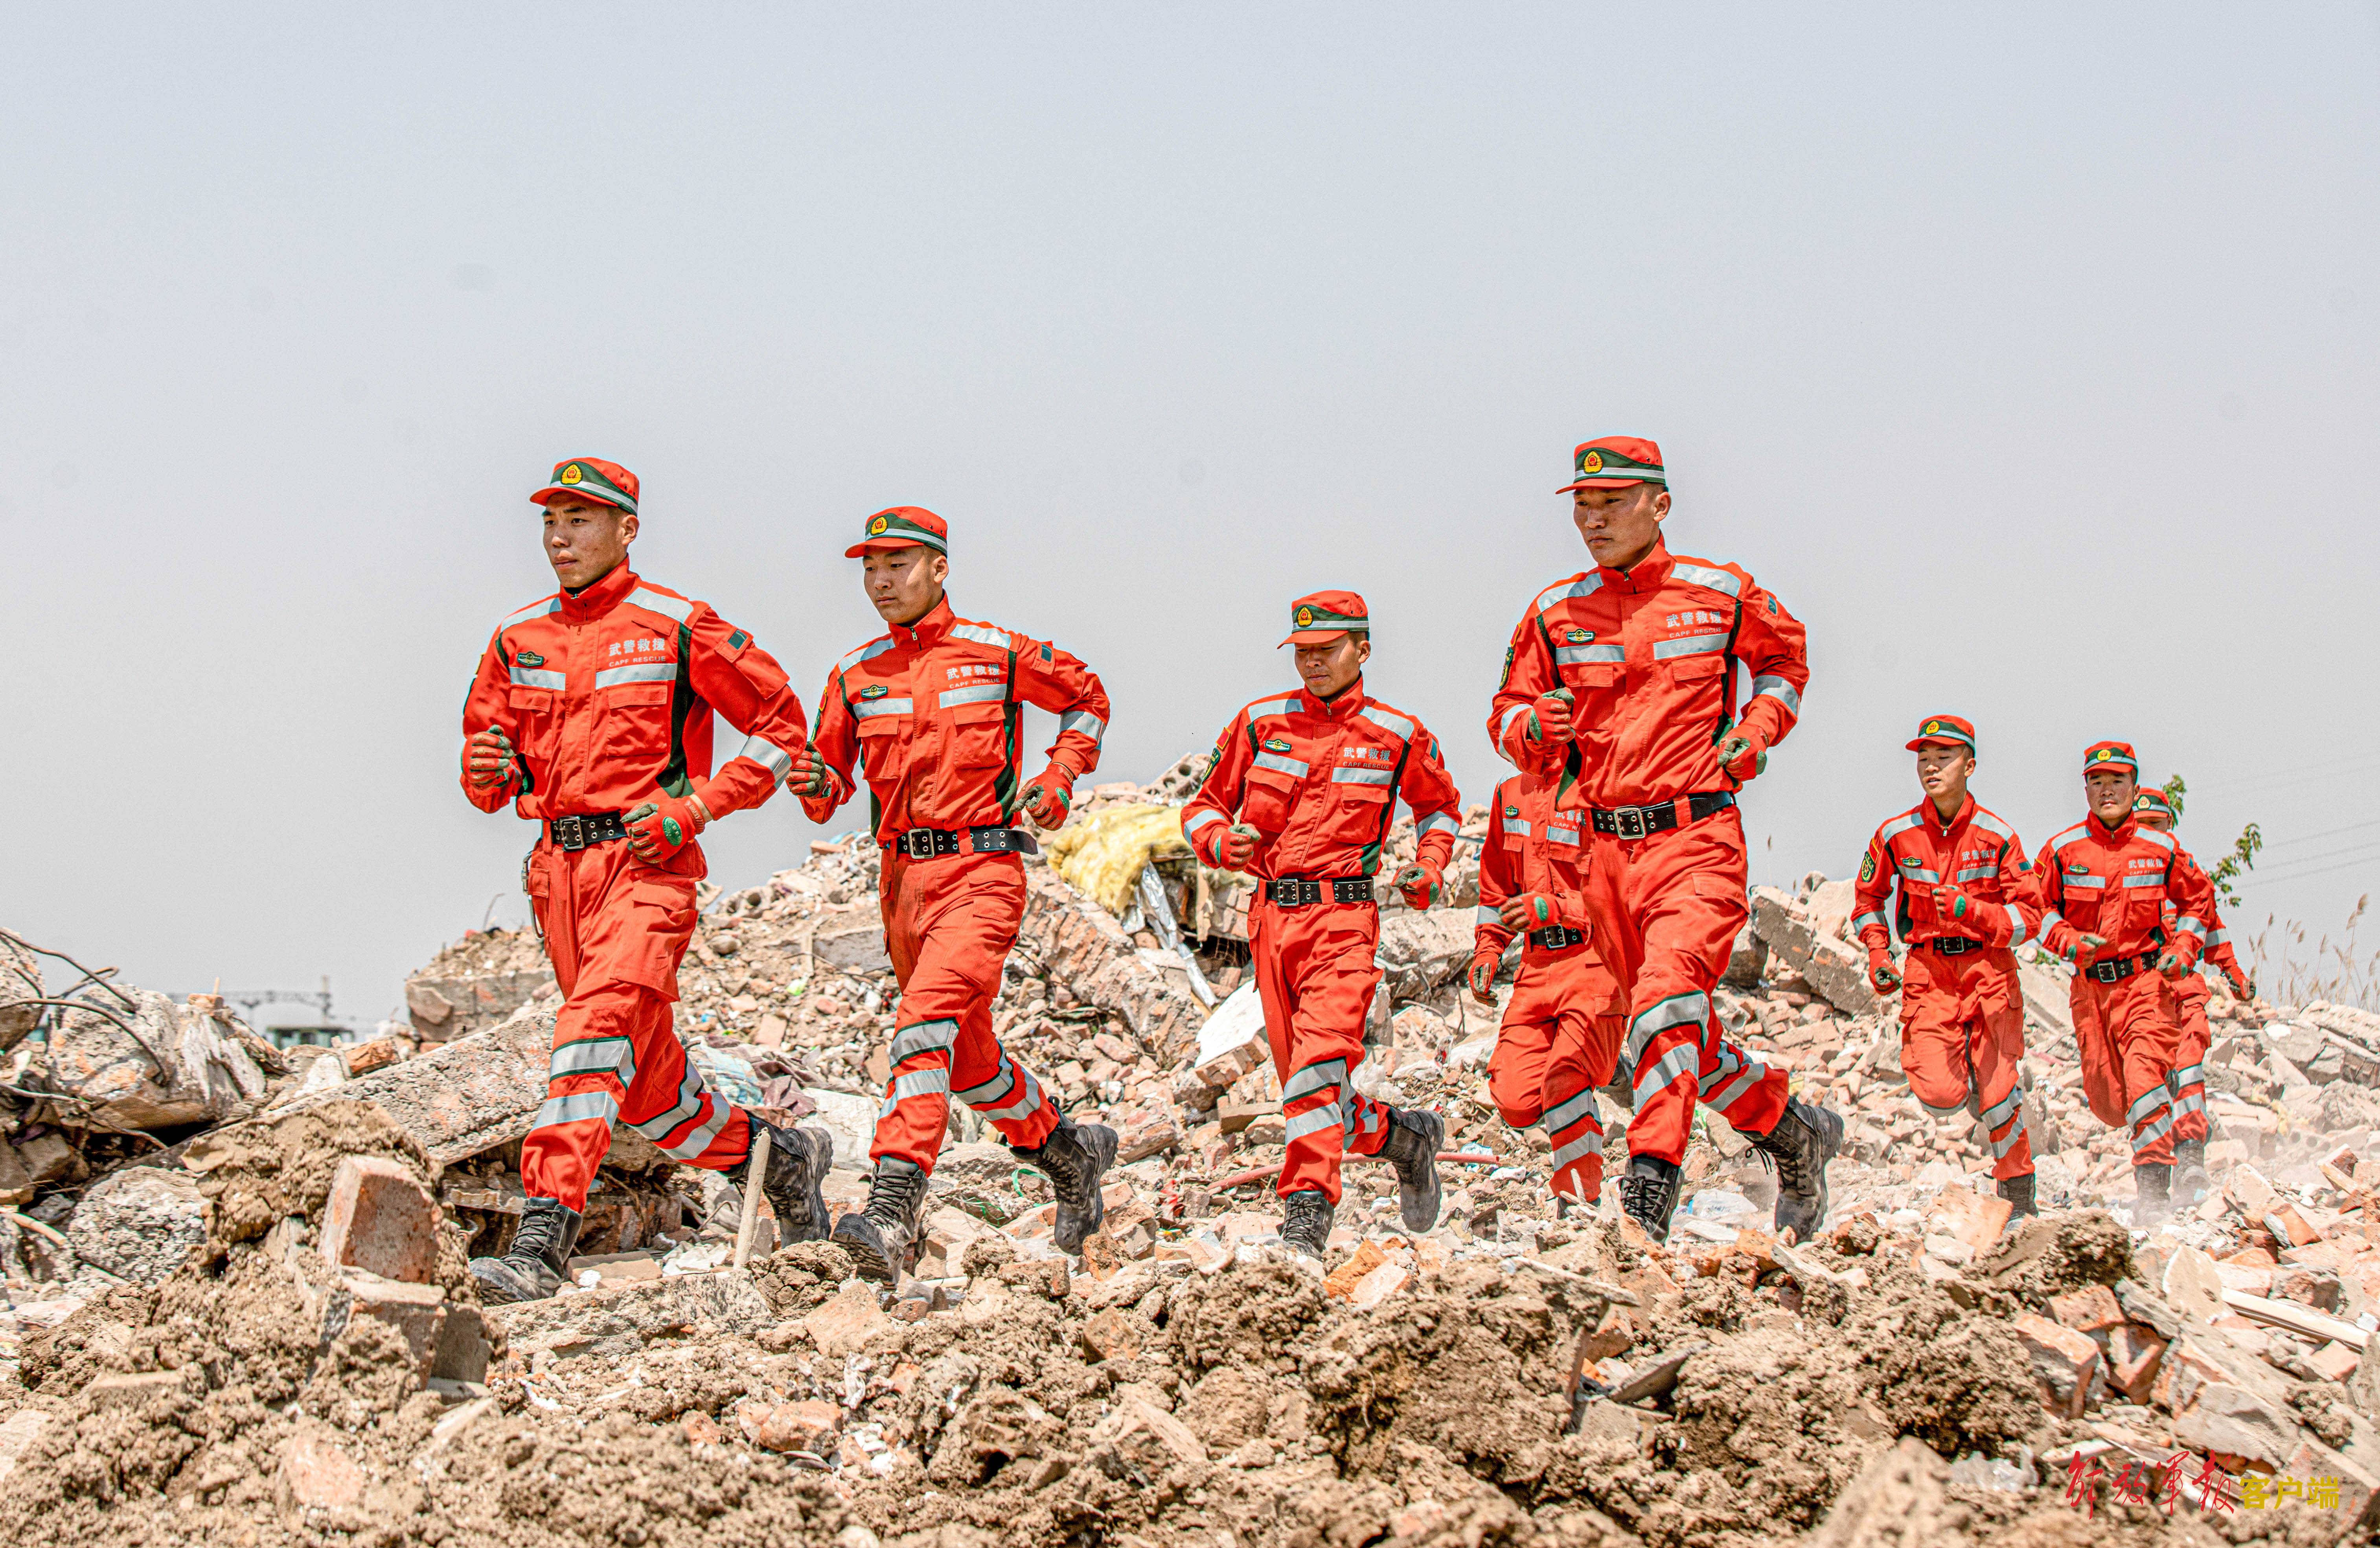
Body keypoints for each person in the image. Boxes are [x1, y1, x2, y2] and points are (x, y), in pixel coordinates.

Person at [458, 457, 833, 1302]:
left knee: (590, 1036)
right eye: (551, 520)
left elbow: (782, 729)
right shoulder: (516, 638)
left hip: (647, 871)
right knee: (647, 1094)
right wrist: (486, 770)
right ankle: (780, 1159)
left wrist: (698, 807)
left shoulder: (676, 624)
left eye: (580, 519)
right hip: (559, 878)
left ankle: (540, 1245)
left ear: (627, 529)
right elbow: (491, 771)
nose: (560, 536)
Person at [1487, 435, 1842, 1245]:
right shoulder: (1552, 613)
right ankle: (1794, 1131)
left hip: (1695, 841)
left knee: (1665, 1004)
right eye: (1583, 505)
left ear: (1660, 505)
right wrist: (1530, 727)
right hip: (1601, 859)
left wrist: (1758, 727)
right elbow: (1504, 713)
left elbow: (1786, 664)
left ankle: (1646, 1202)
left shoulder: (1720, 593)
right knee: (1671, 1030)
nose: (1594, 519)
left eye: (1612, 502)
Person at [792, 506, 1116, 1281]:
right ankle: (1068, 1154)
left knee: (921, 1026)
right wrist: (811, 779)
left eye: (897, 565)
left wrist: (1058, 776)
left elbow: (1088, 698)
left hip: (982, 874)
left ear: (939, 568)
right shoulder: (853, 675)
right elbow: (827, 790)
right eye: (870, 568)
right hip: (901, 886)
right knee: (965, 1062)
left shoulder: (996, 653)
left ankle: (892, 1209)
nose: (881, 581)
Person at [1182, 592, 1462, 1258]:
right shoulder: (1259, 722)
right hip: (1270, 921)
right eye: (1301, 652)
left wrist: (1428, 865)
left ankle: (1305, 1220)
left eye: (1326, 650)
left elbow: (1440, 810)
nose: (1312, 662)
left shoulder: (1396, 732)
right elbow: (1202, 806)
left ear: (1361, 650)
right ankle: (1406, 1139)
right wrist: (1220, 842)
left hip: (1343, 921)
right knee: (1314, 1093)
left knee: (1313, 1072)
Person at [1850, 716, 2042, 1220]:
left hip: (1989, 969)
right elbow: (1867, 900)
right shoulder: (1895, 834)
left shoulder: (1999, 835)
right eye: (1924, 758)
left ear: (1970, 766)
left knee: (2000, 1094)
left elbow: (2030, 918)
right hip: (1928, 973)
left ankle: (2020, 1197)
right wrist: (1878, 952)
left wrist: (1973, 911)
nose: (1931, 767)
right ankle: (1976, 1082)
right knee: (1939, 1096)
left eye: (1944, 757)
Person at [2019, 743, 2216, 1224]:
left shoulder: (2160, 848)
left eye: (2117, 781)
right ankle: (2161, 1106)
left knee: (2144, 1075)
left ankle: (2154, 1191)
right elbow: (2033, 906)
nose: (2107, 791)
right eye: (2098, 782)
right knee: (2109, 1101)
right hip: (2091, 992)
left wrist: (2184, 949)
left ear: (2134, 787)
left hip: (2147, 984)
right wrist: (2066, 940)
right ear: (2085, 788)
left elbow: (2199, 900)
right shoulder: (2063, 849)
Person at [1469, 773, 1628, 1210]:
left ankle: (1578, 1201)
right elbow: (1496, 886)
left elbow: (1621, 886)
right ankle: (1613, 1066)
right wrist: (1489, 949)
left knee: (1565, 1079)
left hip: (1595, 955)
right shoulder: (1509, 794)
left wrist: (1558, 908)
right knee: (1515, 1100)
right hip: (1536, 964)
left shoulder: (1598, 784)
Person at [2131, 787, 2253, 1199]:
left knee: (2188, 1071)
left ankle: (2190, 1159)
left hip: (2184, 994)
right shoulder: (2119, 873)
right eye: (2142, 826)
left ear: (2170, 825)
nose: (2150, 833)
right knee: (2146, 1085)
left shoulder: (2187, 873)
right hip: (2139, 998)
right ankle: (2152, 1183)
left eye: (2157, 824)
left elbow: (2211, 927)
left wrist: (2234, 974)